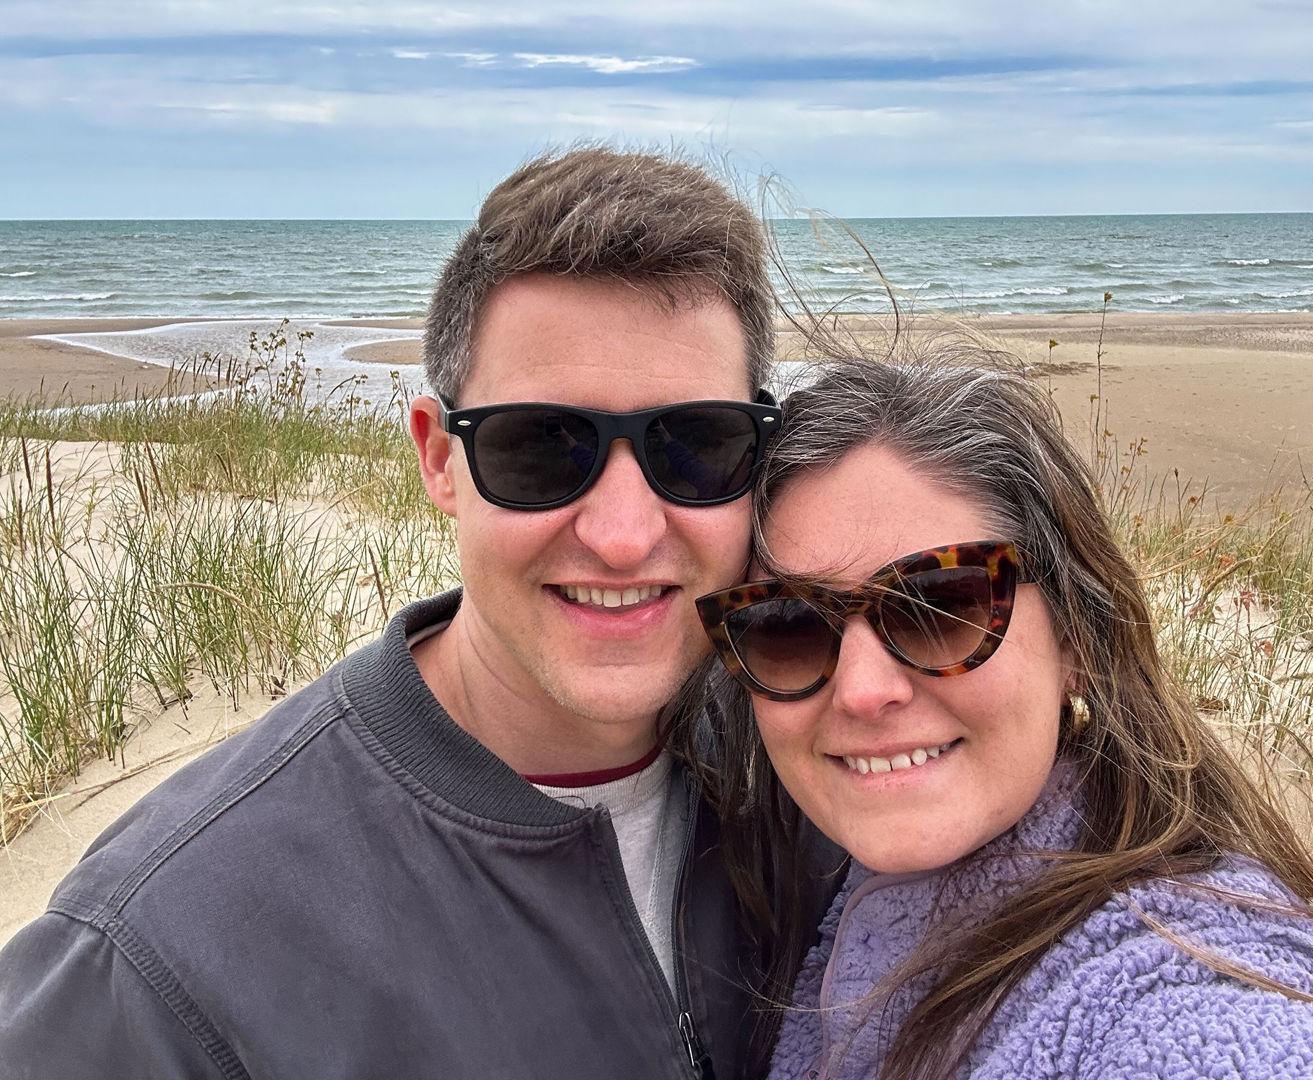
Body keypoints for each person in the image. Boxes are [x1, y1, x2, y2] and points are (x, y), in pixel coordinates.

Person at [0, 148, 823, 1080]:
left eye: (696, 444)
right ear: (440, 460)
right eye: (543, 447)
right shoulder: (165, 953)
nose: (626, 535)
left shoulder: (822, 764)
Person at [694, 354, 1313, 1079]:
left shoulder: (1196, 1007)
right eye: (787, 622)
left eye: (939, 606)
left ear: (1077, 638)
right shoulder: (818, 893)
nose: (862, 690)